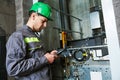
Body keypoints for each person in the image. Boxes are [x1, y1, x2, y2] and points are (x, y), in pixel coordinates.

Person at [6, 2, 58, 80]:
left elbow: (36, 55)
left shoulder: (35, 36)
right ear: (33, 16)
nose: (45, 25)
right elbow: (13, 68)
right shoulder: (17, 37)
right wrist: (45, 59)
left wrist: (49, 55)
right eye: (43, 21)